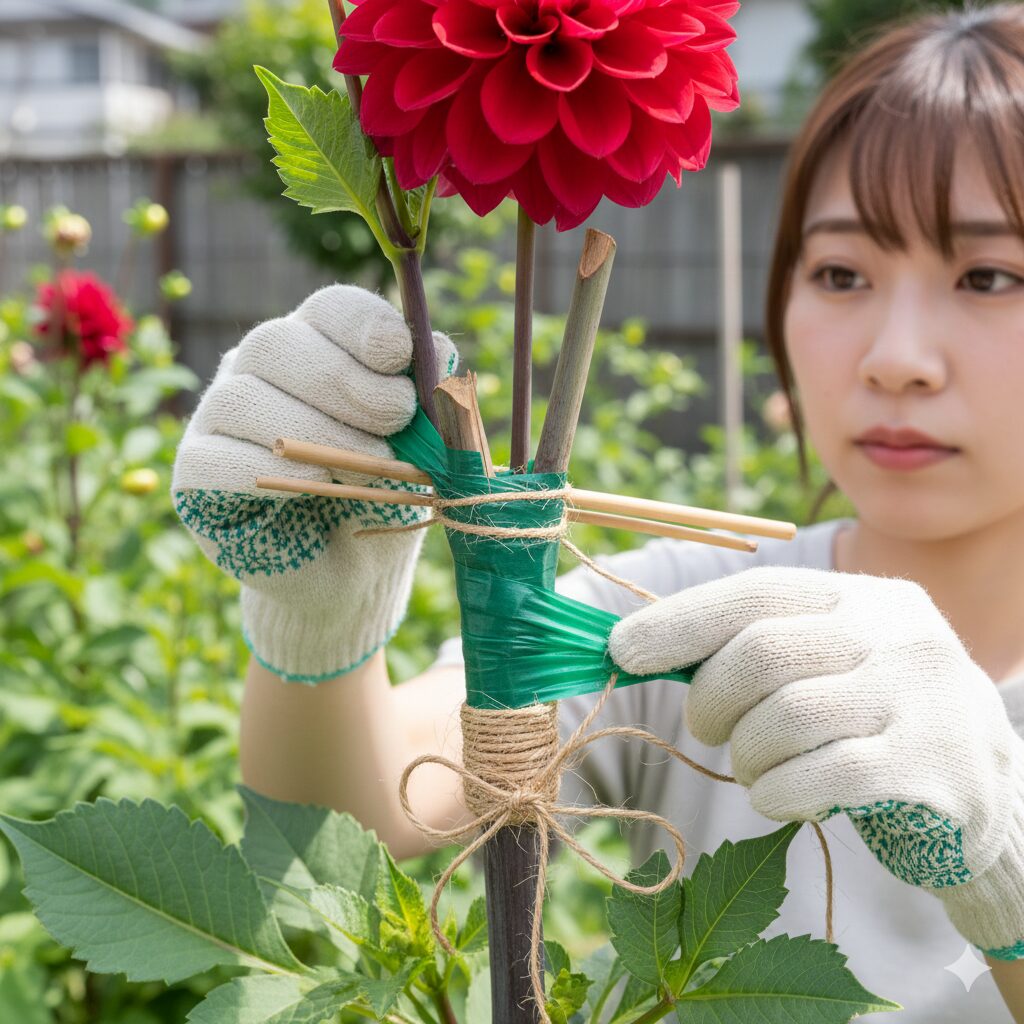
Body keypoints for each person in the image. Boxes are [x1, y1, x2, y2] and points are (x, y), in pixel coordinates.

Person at [171, 4, 1024, 1020]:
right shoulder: (691, 609)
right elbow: (342, 825)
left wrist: (1002, 871)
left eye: (989, 275)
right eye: (840, 271)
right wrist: (318, 625)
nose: (894, 356)